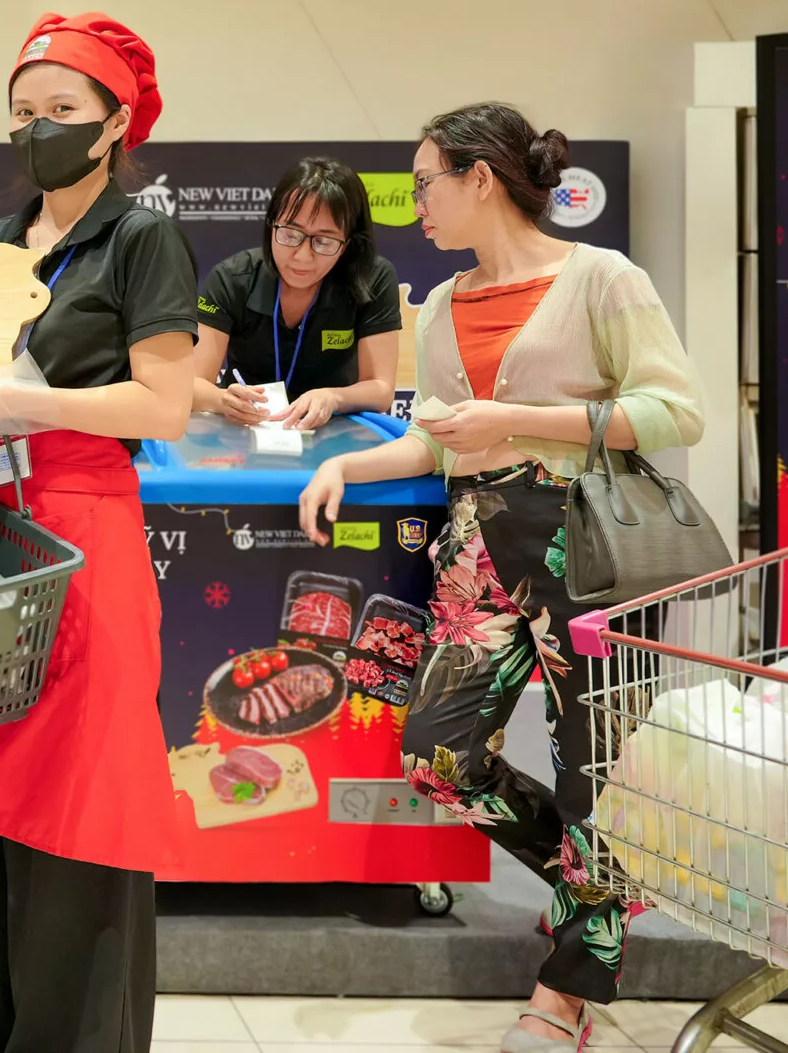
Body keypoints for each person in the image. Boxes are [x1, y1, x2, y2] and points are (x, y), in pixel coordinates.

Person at [296, 103, 702, 1051]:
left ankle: (564, 993)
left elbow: (674, 412)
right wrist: (346, 465)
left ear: (479, 178)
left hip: (590, 542)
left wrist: (517, 422)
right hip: (478, 545)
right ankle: (591, 888)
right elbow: (439, 439)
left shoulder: (602, 276)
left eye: (425, 182)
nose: (416, 204)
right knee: (436, 754)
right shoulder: (442, 302)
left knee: (594, 770)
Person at [0, 12, 196, 1053]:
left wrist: (24, 403)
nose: (38, 127)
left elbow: (164, 406)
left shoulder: (141, 240)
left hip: (85, 533)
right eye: (23, 110)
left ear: (114, 123)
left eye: (62, 108)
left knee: (84, 799)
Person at [192, 156, 400, 429]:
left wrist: (333, 397)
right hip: (243, 428)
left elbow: (381, 389)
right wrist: (223, 400)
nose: (302, 256)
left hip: (335, 428)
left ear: (348, 243)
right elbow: (192, 384)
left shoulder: (373, 278)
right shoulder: (232, 278)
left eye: (323, 241)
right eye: (290, 234)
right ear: (271, 225)